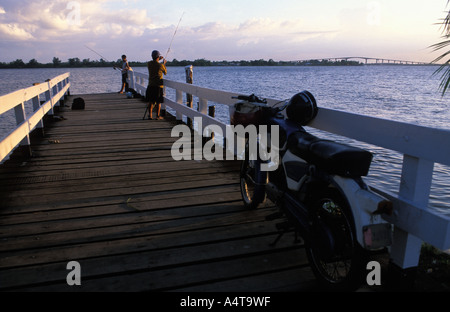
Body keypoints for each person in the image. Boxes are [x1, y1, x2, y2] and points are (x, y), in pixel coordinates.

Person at [146, 50, 167, 120]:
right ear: (158, 57)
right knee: (158, 102)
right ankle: (157, 116)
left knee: (151, 101)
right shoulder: (161, 65)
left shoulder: (149, 64)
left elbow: (154, 63)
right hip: (158, 86)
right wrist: (164, 63)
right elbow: (165, 72)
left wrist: (158, 59)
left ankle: (150, 115)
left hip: (150, 85)